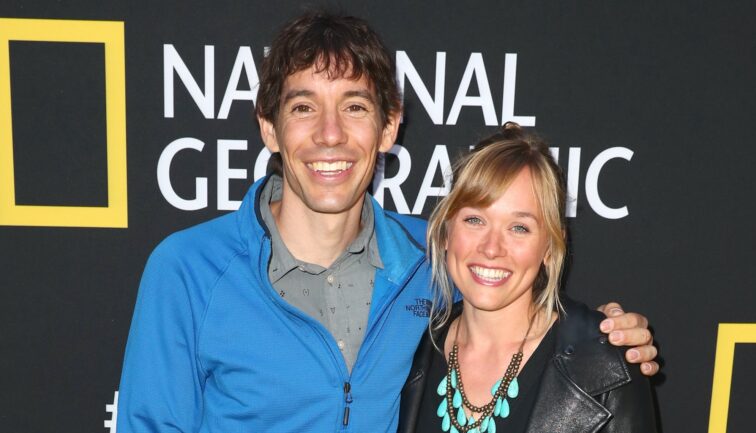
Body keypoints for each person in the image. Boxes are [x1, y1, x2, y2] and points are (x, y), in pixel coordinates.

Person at [118, 12, 658, 433]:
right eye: (304, 108)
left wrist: (607, 338)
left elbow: (517, 297)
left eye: (354, 107)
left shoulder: (431, 259)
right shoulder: (188, 271)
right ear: (268, 127)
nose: (330, 134)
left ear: (389, 126)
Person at [398, 123, 657, 433]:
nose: (492, 248)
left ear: (549, 246)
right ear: (445, 232)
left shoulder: (605, 368)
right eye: (475, 220)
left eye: (519, 227)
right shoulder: (411, 351)